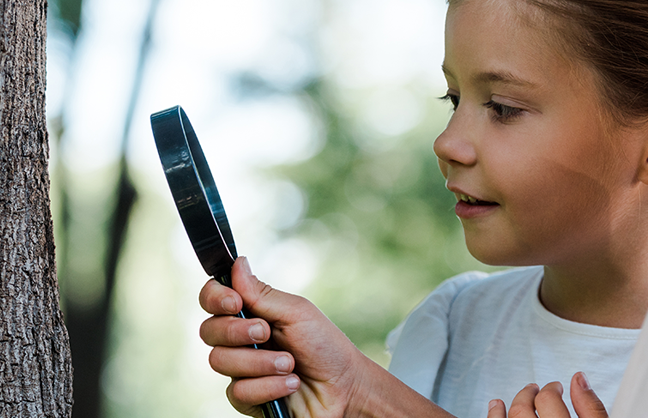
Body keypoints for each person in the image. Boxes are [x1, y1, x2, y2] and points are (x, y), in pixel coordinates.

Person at [198, 0, 648, 416]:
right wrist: (354, 393)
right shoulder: (451, 326)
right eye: (453, 99)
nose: (446, 143)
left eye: (503, 108)